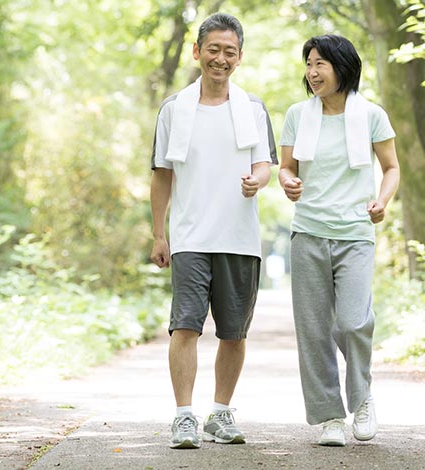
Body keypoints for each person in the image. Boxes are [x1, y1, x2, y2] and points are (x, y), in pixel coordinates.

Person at [149, 12, 276, 449]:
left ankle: (220, 413)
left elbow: (265, 164)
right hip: (190, 237)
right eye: (213, 49)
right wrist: (159, 233)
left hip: (240, 238)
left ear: (239, 57)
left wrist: (258, 180)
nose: (220, 59)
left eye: (230, 51)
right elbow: (162, 174)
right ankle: (183, 416)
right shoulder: (174, 108)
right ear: (197, 52)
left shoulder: (253, 108)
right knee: (184, 327)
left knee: (234, 334)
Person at [278, 34, 400, 447]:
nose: (312, 72)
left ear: (343, 67)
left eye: (321, 64)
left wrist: (382, 201)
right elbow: (287, 166)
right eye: (309, 64)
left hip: (355, 234)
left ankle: (362, 398)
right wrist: (288, 182)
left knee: (352, 322)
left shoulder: (372, 115)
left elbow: (391, 167)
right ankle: (329, 416)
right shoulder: (298, 115)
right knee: (313, 330)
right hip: (309, 232)